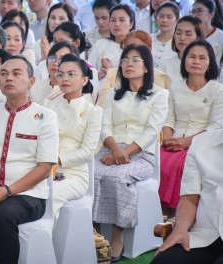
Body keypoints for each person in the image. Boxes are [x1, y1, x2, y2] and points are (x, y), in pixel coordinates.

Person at [0, 55, 59, 264]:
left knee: (4, 216)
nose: (8, 78)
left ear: (31, 82)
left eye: (16, 73)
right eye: (3, 74)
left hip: (28, 196)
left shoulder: (45, 117)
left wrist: (8, 191)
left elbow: (45, 169)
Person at [93, 44, 168, 263]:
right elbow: (104, 126)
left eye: (135, 60)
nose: (128, 64)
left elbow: (152, 131)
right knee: (93, 175)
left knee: (116, 177)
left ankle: (117, 236)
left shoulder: (159, 94)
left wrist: (124, 153)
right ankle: (96, 235)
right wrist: (116, 150)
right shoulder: (116, 94)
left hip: (141, 155)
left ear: (147, 67)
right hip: (110, 151)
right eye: (125, 60)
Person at [159, 40, 223, 216]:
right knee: (158, 162)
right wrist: (167, 139)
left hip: (202, 143)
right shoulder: (175, 87)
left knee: (182, 165)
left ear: (210, 63)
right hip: (174, 141)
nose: (196, 61)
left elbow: (216, 125)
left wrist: (187, 142)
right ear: (184, 60)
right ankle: (163, 218)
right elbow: (169, 120)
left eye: (202, 58)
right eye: (192, 57)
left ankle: (180, 217)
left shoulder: (217, 90)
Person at [151, 129, 223, 264]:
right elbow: (189, 199)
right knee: (164, 261)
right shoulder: (201, 143)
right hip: (206, 236)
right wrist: (181, 226)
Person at [47, 53, 102, 222]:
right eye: (61, 74)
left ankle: (44, 245)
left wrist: (57, 159)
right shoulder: (49, 105)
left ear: (85, 80)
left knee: (50, 197)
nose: (65, 78)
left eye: (72, 74)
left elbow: (87, 153)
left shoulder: (93, 112)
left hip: (74, 174)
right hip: (44, 170)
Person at [99, 30, 171, 108]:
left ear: (149, 51)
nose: (132, 52)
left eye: (138, 48)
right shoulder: (112, 74)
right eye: (128, 48)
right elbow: (103, 107)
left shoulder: (159, 77)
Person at [31, 41, 98, 106]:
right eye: (52, 57)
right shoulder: (34, 87)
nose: (55, 63)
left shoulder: (78, 92)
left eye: (62, 59)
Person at [88, 4, 135, 82]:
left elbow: (135, 80)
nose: (116, 24)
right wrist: (101, 74)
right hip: (98, 91)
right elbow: (88, 74)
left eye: (122, 20)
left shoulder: (135, 48)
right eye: (113, 20)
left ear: (131, 24)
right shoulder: (100, 44)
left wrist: (111, 71)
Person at [160, 16, 204, 83]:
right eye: (178, 33)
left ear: (198, 37)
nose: (182, 38)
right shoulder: (165, 63)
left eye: (188, 34)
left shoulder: (205, 63)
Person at [192, 0, 223, 66]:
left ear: (211, 14)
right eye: (193, 12)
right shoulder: (190, 34)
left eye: (199, 11)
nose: (195, 15)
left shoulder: (220, 36)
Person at [151, 1, 179, 69]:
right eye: (161, 16)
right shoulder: (148, 39)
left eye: (169, 17)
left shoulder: (179, 42)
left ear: (177, 20)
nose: (164, 20)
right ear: (156, 18)